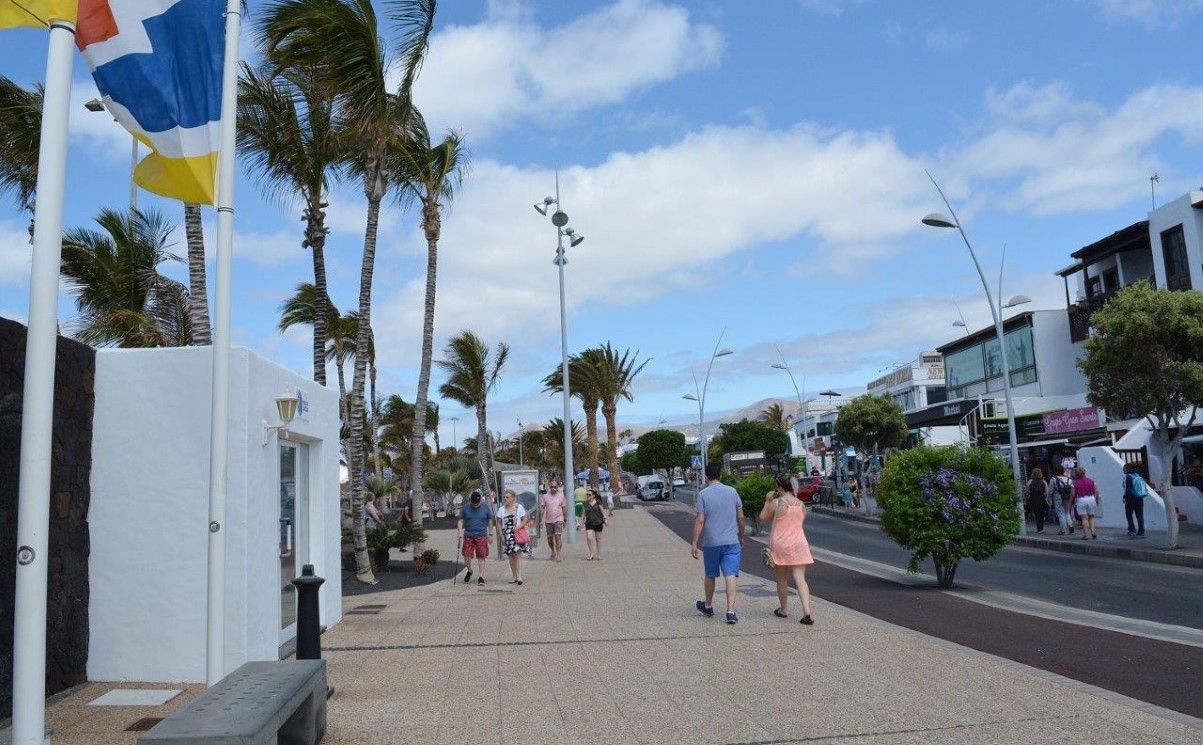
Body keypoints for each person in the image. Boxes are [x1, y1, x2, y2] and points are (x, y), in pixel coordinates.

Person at [691, 462, 745, 624]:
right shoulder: (732, 491)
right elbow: (741, 517)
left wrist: (694, 543)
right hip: (732, 541)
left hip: (711, 542)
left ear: (706, 476)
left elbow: (700, 520)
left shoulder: (703, 494)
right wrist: (741, 535)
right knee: (730, 574)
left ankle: (708, 606)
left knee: (710, 574)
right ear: (720, 475)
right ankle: (730, 611)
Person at [760, 474, 815, 624]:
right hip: (799, 543)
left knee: (782, 578)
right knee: (800, 578)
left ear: (780, 487)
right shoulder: (801, 504)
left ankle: (783, 609)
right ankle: (807, 611)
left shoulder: (777, 503)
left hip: (781, 544)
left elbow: (763, 518)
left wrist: (767, 501)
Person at [495, 489, 533, 584]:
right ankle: (514, 576)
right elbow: (498, 523)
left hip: (517, 534)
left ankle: (519, 576)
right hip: (507, 536)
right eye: (504, 497)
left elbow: (525, 519)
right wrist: (501, 535)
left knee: (518, 555)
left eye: (507, 497)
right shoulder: (501, 509)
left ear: (513, 498)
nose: (505, 499)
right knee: (511, 556)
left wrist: (518, 527)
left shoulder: (519, 507)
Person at [457, 490, 494, 586]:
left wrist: (490, 534)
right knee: (467, 556)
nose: (476, 505)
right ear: (471, 500)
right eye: (474, 503)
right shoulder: (465, 508)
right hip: (468, 536)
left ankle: (481, 577)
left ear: (480, 500)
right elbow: (460, 521)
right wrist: (460, 532)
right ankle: (469, 570)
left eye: (477, 503)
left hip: (482, 536)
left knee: (481, 556)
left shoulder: (485, 508)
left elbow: (490, 520)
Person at [541, 481, 568, 562]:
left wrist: (565, 519)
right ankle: (553, 551)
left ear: (557, 487)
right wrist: (540, 519)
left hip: (558, 519)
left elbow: (564, 508)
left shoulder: (561, 496)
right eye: (552, 487)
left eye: (555, 487)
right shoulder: (545, 496)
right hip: (548, 520)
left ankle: (558, 554)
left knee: (557, 536)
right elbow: (542, 508)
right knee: (549, 538)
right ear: (549, 487)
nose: (553, 488)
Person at [1072, 467, 1099, 540]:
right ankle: (1093, 532)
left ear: (1077, 474)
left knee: (1084, 518)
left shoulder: (1075, 482)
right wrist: (1096, 500)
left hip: (1081, 499)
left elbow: (1073, 494)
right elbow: (1096, 491)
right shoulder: (1091, 481)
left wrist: (1071, 502)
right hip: (1091, 498)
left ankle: (1086, 535)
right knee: (1091, 517)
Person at [1122, 462, 1148, 537]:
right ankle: (1141, 531)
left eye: (1124, 468)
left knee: (1129, 514)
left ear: (1127, 469)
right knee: (1139, 515)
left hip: (1130, 498)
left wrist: (1124, 497)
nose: (1123, 470)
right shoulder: (1137, 475)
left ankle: (1132, 530)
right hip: (1139, 497)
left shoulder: (1128, 476)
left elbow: (1127, 489)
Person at [1050, 466, 1075, 536]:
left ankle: (1064, 530)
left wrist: (1049, 499)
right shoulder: (1069, 479)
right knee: (1067, 512)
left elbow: (1050, 491)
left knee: (1061, 513)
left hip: (1058, 497)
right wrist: (1071, 499)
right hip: (1067, 497)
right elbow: (1072, 490)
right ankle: (1070, 526)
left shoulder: (1054, 479)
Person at [584, 489, 607, 560]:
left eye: (589, 494)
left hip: (598, 522)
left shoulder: (598, 501)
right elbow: (584, 512)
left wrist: (605, 518)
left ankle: (599, 554)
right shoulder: (586, 503)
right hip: (589, 522)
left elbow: (602, 510)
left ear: (593, 495)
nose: (588, 496)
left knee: (598, 539)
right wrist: (583, 519)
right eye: (587, 494)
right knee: (589, 537)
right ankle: (591, 553)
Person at [1025, 468, 1049, 533]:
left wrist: (1027, 498)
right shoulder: (1044, 481)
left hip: (1033, 498)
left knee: (1037, 514)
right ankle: (1041, 528)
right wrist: (1047, 499)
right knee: (1042, 513)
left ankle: (1039, 529)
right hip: (1042, 498)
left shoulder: (1030, 481)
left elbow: (1027, 492)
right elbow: (1047, 492)